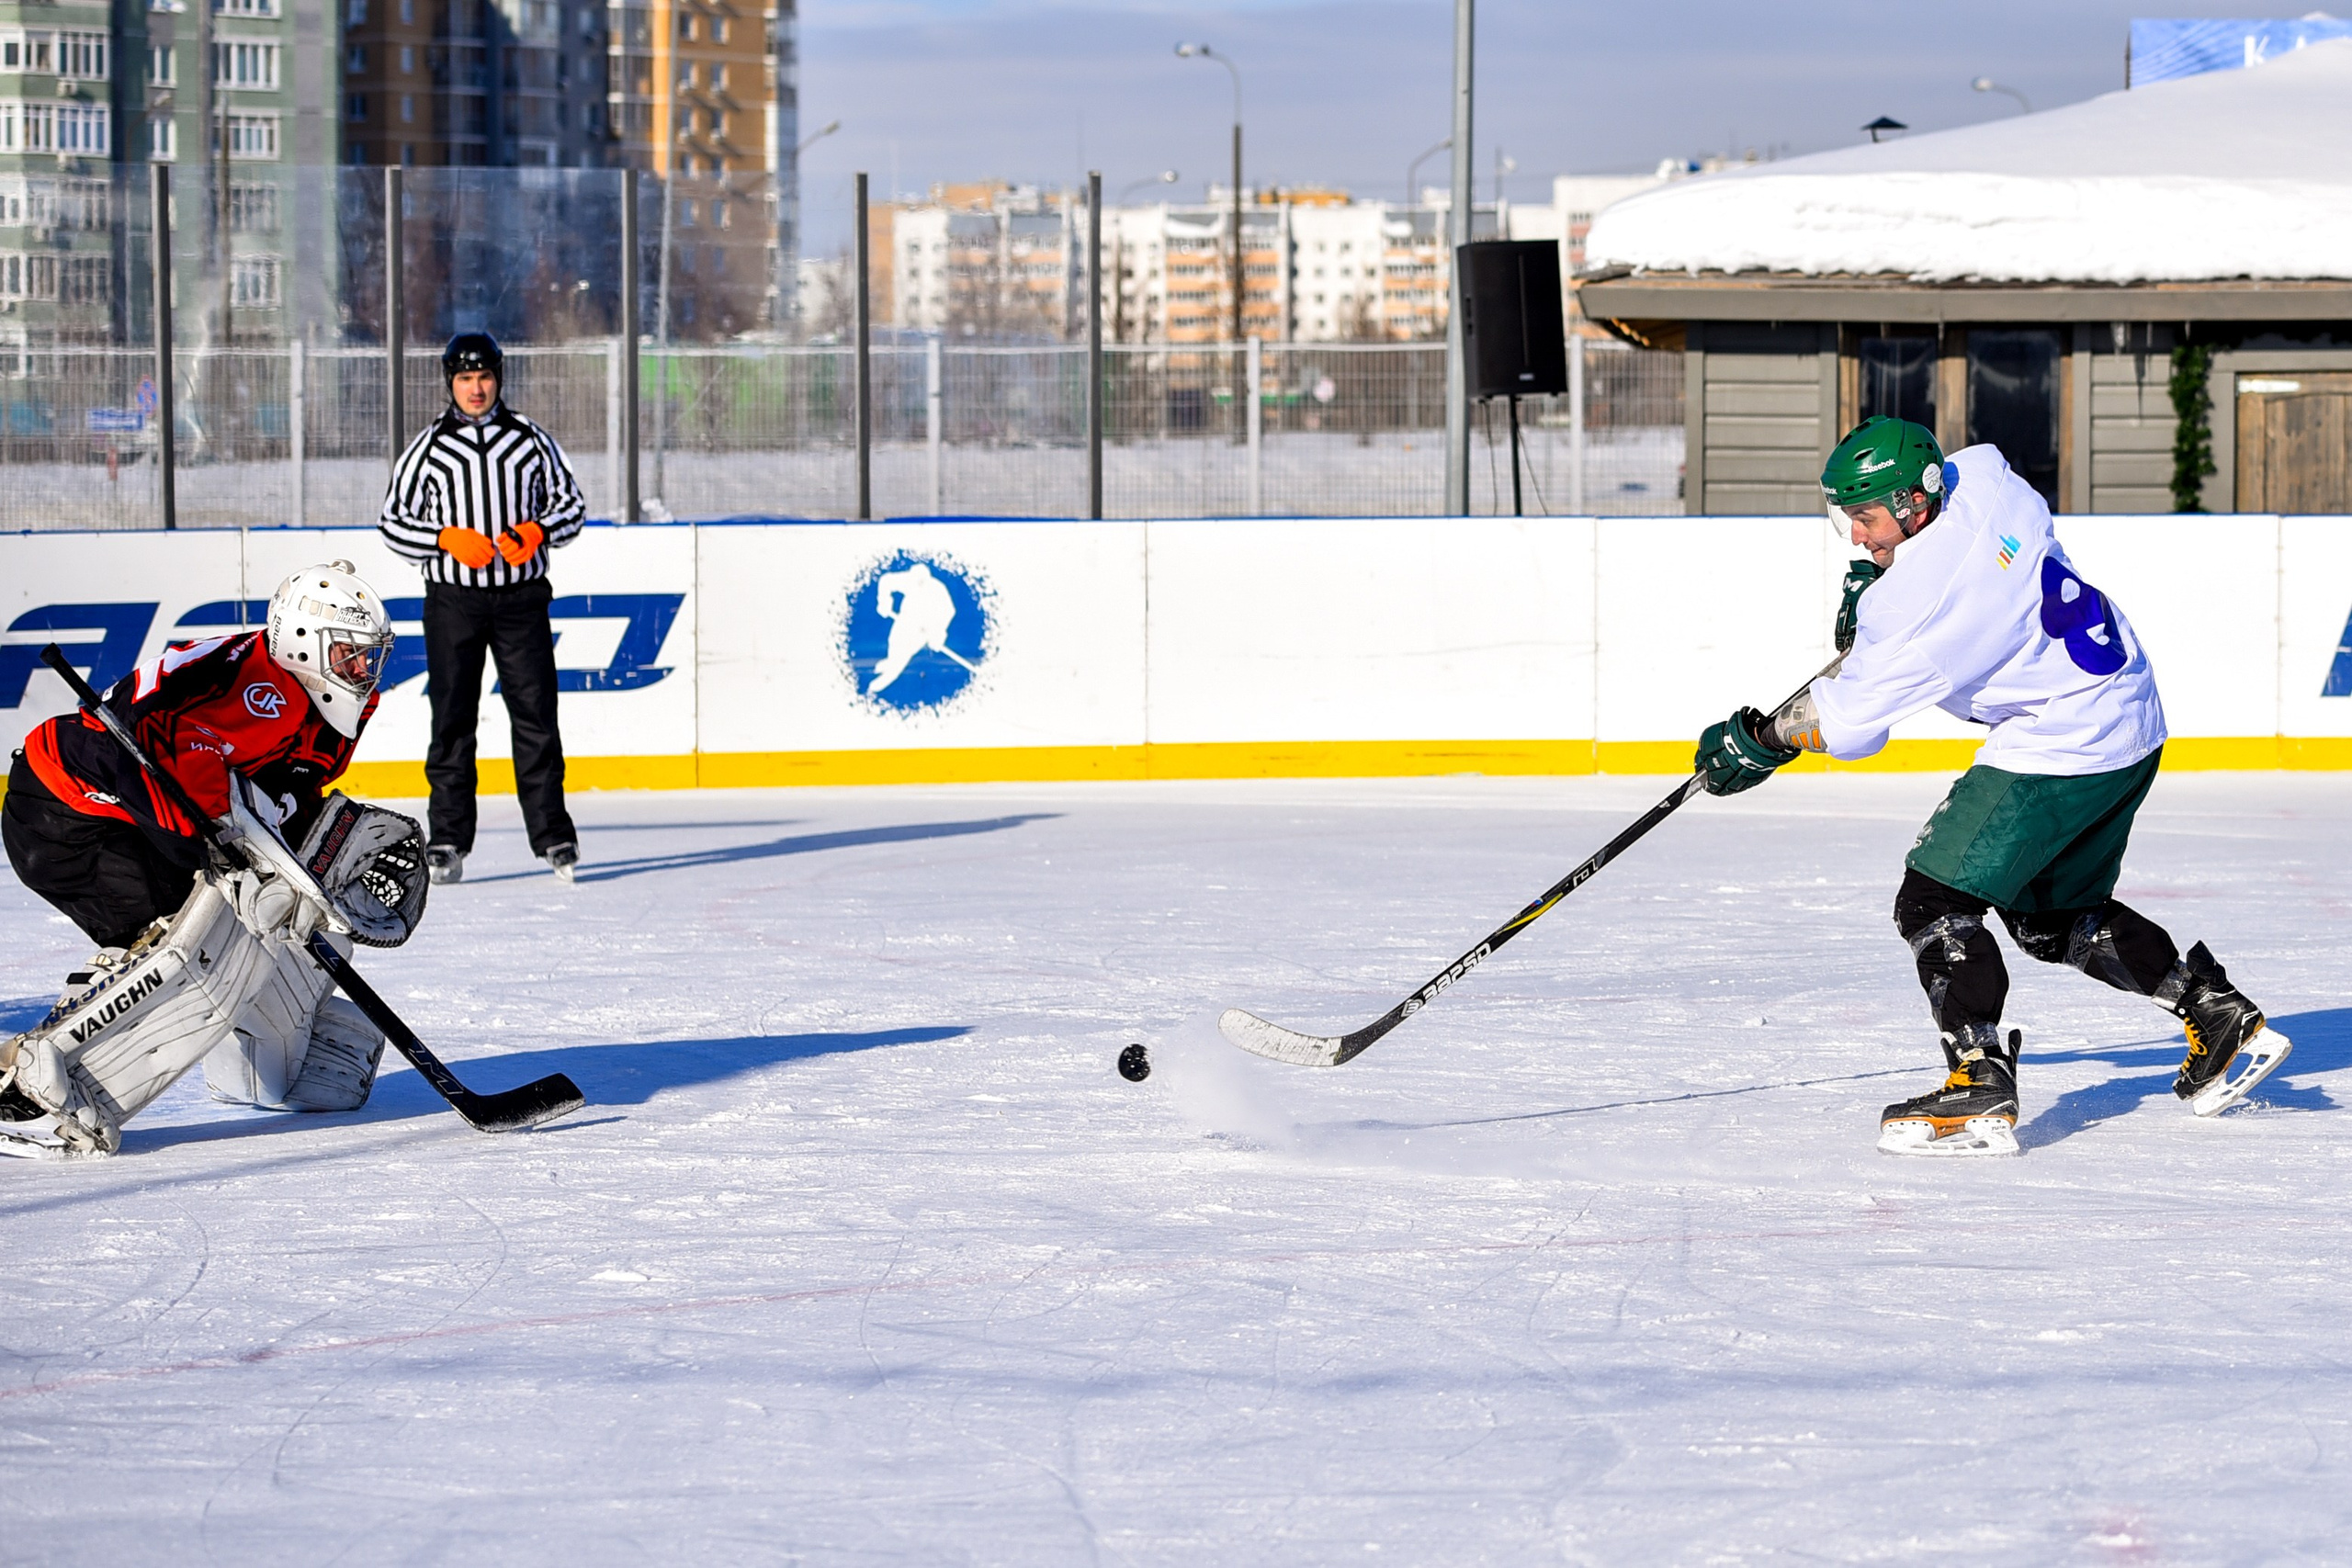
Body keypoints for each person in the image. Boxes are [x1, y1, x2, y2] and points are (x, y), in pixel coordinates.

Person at [1691, 416, 2290, 1157]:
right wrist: (1883, 584)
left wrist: (1759, 738)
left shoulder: (1920, 607)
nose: (1855, 536)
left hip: (2063, 739)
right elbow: (1940, 556)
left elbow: (1850, 728)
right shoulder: (1984, 478)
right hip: (2129, 710)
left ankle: (1978, 1078)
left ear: (1914, 505)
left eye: (1867, 518)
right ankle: (2217, 1012)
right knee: (2049, 916)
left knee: (1933, 899)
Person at [0, 562, 431, 1156]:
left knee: (244, 933)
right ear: (305, 642)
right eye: (349, 655)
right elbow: (163, 750)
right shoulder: (265, 686)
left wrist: (286, 860)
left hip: (120, 812)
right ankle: (27, 1090)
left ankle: (268, 1061)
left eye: (369, 655)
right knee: (193, 942)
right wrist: (226, 853)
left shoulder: (321, 701)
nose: (362, 670)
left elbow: (280, 791)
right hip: (69, 810)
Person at [379, 332, 587, 886]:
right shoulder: (427, 448)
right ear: (451, 382)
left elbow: (571, 506)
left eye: (485, 377)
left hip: (521, 599)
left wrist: (538, 529)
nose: (476, 388)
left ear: (499, 378)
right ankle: (447, 838)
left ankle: (553, 835)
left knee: (536, 716)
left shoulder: (529, 440)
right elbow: (393, 523)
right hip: (454, 603)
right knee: (452, 721)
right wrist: (445, 537)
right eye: (465, 379)